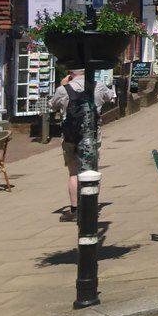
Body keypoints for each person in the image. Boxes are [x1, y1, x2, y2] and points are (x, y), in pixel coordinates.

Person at [48, 70, 116, 222]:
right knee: (92, 171)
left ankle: (75, 210)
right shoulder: (98, 85)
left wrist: (62, 86)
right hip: (91, 134)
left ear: (69, 73)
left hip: (70, 136)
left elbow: (52, 105)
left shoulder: (63, 89)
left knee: (73, 173)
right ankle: (91, 208)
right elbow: (111, 97)